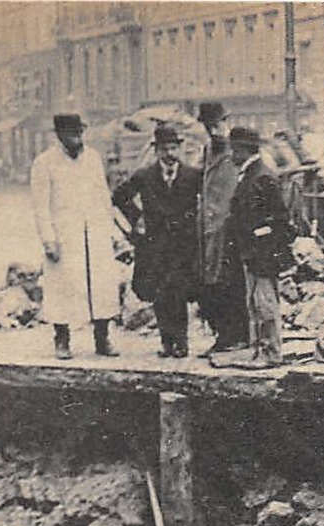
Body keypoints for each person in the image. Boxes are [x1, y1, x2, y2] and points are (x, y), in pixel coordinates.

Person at [29, 114, 126, 359]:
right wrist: (48, 239)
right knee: (62, 286)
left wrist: (113, 232)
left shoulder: (92, 158)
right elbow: (40, 206)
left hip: (95, 232)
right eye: (71, 133)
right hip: (64, 236)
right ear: (59, 134)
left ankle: (102, 339)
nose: (77, 137)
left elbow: (104, 197)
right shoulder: (45, 162)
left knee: (101, 286)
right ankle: (62, 339)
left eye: (79, 132)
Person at [111, 125, 203, 358]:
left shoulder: (192, 175)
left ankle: (181, 343)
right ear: (157, 151)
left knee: (180, 292)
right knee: (161, 295)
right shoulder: (145, 175)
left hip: (184, 245)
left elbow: (209, 201)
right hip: (155, 245)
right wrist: (137, 221)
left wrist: (198, 224)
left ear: (179, 149)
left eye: (174, 148)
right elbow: (119, 197)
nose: (170, 154)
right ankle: (167, 343)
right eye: (165, 149)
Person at [225, 126, 295, 369]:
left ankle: (271, 352)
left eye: (233, 149)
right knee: (254, 302)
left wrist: (259, 236)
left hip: (263, 253)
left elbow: (280, 219)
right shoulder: (251, 174)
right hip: (252, 252)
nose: (230, 155)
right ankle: (259, 350)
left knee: (265, 303)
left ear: (243, 150)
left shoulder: (261, 176)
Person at [196, 102, 249, 356]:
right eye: (211, 126)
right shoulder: (207, 150)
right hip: (208, 228)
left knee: (230, 283)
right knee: (211, 285)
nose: (216, 130)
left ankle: (235, 337)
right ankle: (224, 336)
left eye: (219, 124)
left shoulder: (234, 151)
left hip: (228, 228)